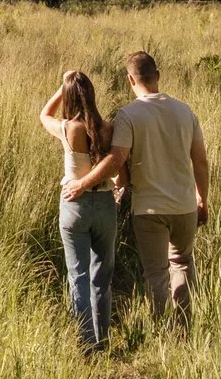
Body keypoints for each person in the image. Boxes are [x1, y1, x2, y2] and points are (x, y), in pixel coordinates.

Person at [109, 50, 210, 328]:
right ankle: (183, 326)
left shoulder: (128, 115)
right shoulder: (184, 111)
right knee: (183, 263)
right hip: (184, 204)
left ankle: (160, 327)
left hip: (149, 208)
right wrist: (203, 199)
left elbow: (118, 159)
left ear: (130, 80)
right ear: (158, 77)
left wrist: (118, 187)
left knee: (155, 273)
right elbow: (200, 160)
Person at [38, 67, 126, 352]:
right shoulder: (108, 128)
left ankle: (86, 341)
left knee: (78, 275)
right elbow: (120, 174)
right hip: (104, 204)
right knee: (102, 276)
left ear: (70, 97)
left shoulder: (68, 128)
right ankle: (103, 338)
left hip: (74, 205)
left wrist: (61, 88)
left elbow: (43, 116)